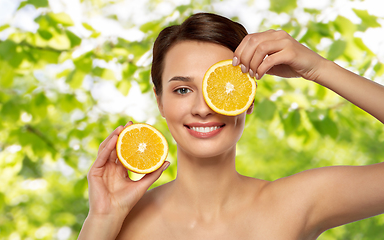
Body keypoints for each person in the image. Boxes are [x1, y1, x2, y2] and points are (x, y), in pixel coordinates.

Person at [78, 12, 384, 239]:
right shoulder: (120, 222)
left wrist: (319, 68)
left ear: (247, 99)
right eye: (182, 89)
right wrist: (102, 219)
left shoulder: (296, 203)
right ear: (160, 101)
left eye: (221, 88)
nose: (201, 108)